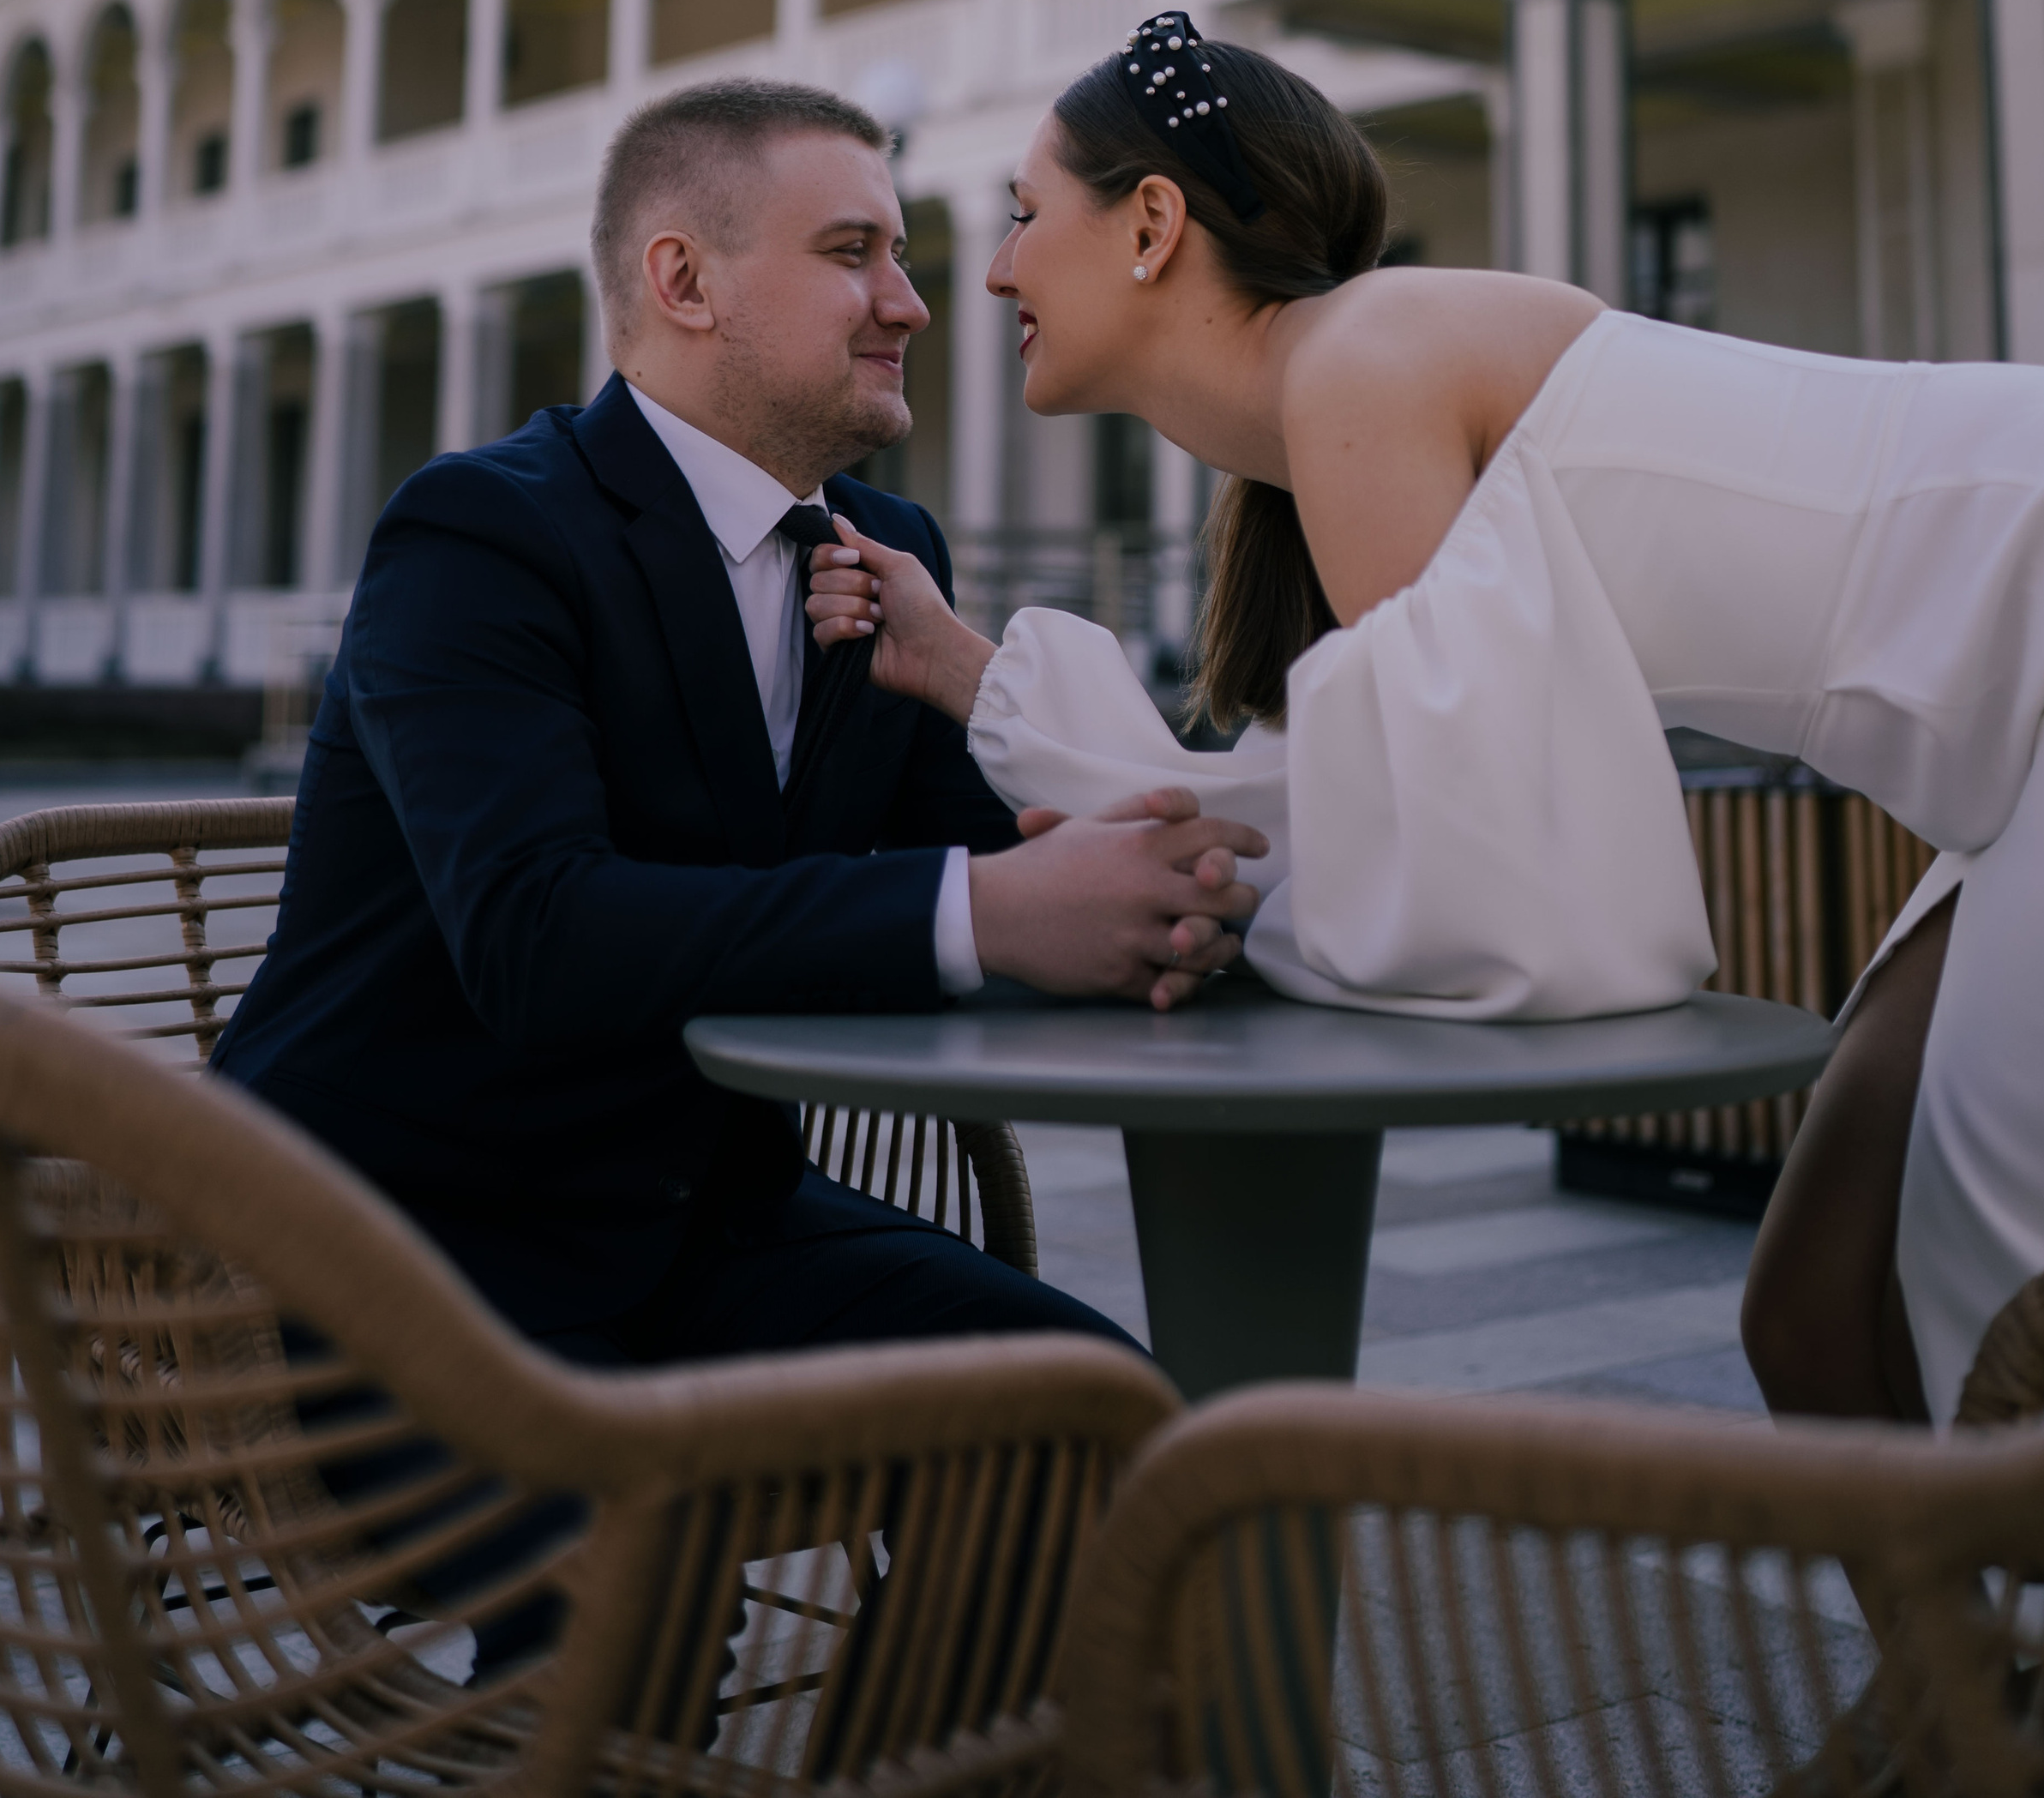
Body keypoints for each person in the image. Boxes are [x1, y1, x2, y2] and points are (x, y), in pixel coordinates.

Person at [803, 10, 2044, 1431]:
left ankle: (2034, 1658)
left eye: (1021, 214)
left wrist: (1013, 727)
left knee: (2020, 1350)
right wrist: (970, 672)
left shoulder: (1359, 369)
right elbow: (1337, 815)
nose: (992, 267)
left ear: (1151, 223)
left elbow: (1458, 882)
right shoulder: (1345, 388)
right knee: (1811, 1311)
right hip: (2038, 707)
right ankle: (1965, 1661)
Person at [214, 75, 1265, 1383]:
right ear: (685, 282)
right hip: (390, 1264)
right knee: (655, 1583)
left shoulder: (897, 554)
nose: (913, 301)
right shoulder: (482, 532)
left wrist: (1099, 839)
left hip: (711, 1235)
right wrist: (986, 910)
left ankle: (952, 1600)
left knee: (1116, 1428)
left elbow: (1023, 863)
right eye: (850, 254)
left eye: (900, 254)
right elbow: (538, 936)